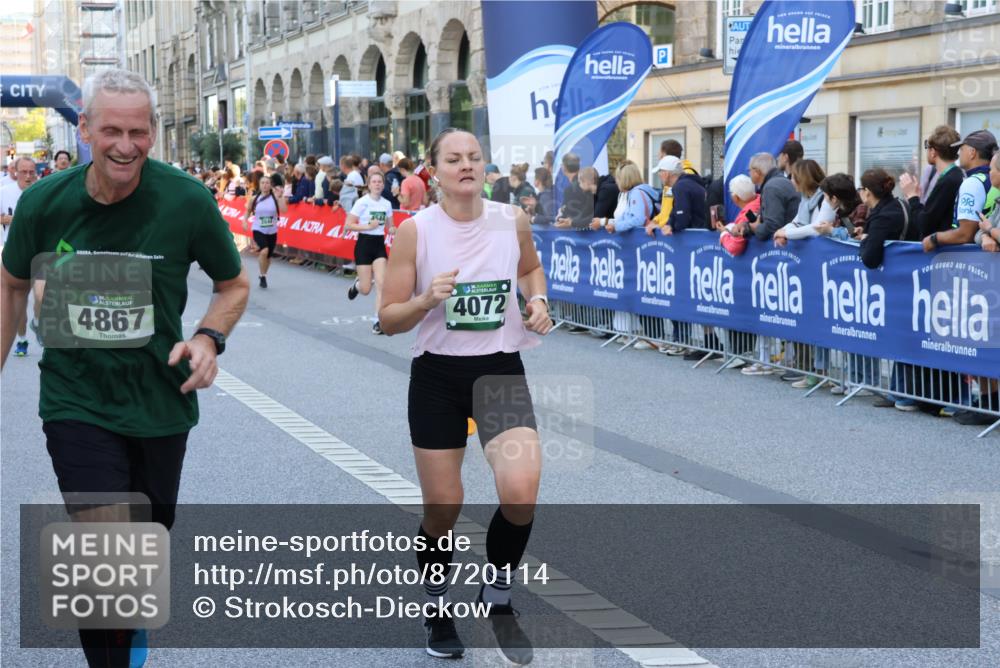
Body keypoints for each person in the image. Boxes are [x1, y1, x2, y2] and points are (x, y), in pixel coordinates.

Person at [0, 67, 249, 668]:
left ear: (154, 133)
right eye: (111, 130)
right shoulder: (44, 202)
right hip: (75, 400)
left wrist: (210, 336)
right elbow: (9, 288)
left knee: (145, 545)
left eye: (139, 131)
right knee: (105, 554)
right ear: (83, 128)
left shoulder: (186, 200)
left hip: (161, 401)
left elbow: (233, 283)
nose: (125, 145)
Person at [379, 127, 552, 664]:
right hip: (437, 377)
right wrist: (427, 299)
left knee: (521, 492)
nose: (467, 165)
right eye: (454, 158)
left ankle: (497, 595)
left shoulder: (511, 219)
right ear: (434, 170)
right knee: (443, 506)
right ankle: (436, 606)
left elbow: (529, 269)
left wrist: (539, 300)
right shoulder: (416, 231)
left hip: (500, 370)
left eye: (474, 156)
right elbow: (387, 319)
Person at [923, 129, 998, 253]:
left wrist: (935, 238)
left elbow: (965, 234)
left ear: (972, 153)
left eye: (962, 149)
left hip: (969, 260)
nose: (958, 153)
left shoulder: (972, 183)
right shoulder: (993, 179)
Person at [344, 170, 394, 334]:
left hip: (379, 245)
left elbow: (389, 226)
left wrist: (393, 229)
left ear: (383, 185)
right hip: (364, 244)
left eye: (380, 182)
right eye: (374, 182)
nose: (377, 184)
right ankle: (357, 286)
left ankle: (377, 320)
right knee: (366, 289)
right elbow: (348, 225)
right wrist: (367, 226)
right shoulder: (362, 202)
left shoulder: (386, 204)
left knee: (382, 284)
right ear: (369, 184)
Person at [1, 156, 38, 355]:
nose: (28, 176)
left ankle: (39, 322)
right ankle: (22, 339)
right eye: (24, 172)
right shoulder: (5, 192)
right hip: (14, 251)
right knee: (20, 301)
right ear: (15, 172)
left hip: (41, 251)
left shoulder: (44, 191)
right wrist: (13, 218)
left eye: (32, 171)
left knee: (42, 296)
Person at [900, 126, 963, 240]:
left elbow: (924, 224)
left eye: (927, 147)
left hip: (942, 254)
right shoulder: (957, 175)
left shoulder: (948, 181)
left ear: (933, 152)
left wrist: (912, 197)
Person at [773, 159, 837, 246]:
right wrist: (781, 233)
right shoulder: (805, 199)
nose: (791, 181)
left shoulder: (826, 198)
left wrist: (786, 234)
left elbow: (817, 229)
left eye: (793, 177)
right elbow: (796, 223)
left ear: (802, 179)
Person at [242, 174, 287, 288]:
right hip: (258, 229)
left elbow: (284, 210)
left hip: (272, 231)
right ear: (260, 185)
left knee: (268, 257)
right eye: (262, 183)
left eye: (267, 183)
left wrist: (281, 196)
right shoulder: (255, 198)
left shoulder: (275, 197)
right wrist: (245, 221)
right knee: (264, 251)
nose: (265, 185)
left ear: (271, 185)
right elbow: (247, 210)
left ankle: (263, 275)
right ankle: (262, 275)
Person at [858, 168, 906, 269]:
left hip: (896, 273)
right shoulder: (900, 204)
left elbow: (870, 260)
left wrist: (864, 240)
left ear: (867, 191)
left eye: (860, 188)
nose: (859, 192)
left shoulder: (882, 218)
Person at [747, 152, 799, 240]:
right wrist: (746, 226)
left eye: (749, 170)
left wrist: (755, 229)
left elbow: (773, 226)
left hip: (785, 247)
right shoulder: (779, 182)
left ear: (757, 172)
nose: (749, 173)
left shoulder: (771, 187)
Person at [716, 173, 759, 256]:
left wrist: (724, 233)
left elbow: (734, 248)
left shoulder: (745, 215)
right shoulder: (761, 199)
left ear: (735, 197)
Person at [555, 153, 593, 229]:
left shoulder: (570, 189)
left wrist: (559, 217)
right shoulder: (587, 182)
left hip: (581, 232)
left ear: (563, 168)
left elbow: (567, 215)